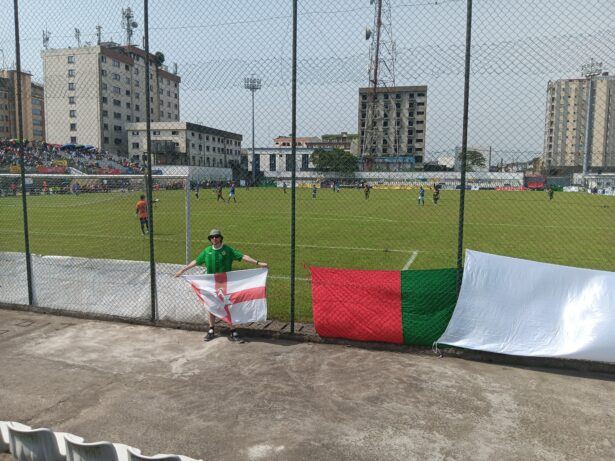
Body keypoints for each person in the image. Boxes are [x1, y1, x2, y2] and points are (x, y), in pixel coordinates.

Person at [174, 229, 268, 342]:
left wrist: (258, 263)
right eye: (212, 237)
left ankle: (233, 330)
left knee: (227, 306)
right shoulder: (207, 251)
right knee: (211, 306)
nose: (214, 238)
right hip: (211, 284)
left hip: (226, 284)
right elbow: (196, 261)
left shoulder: (227, 250)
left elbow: (243, 256)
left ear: (220, 238)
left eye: (217, 236)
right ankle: (211, 330)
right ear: (210, 239)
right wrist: (182, 270)